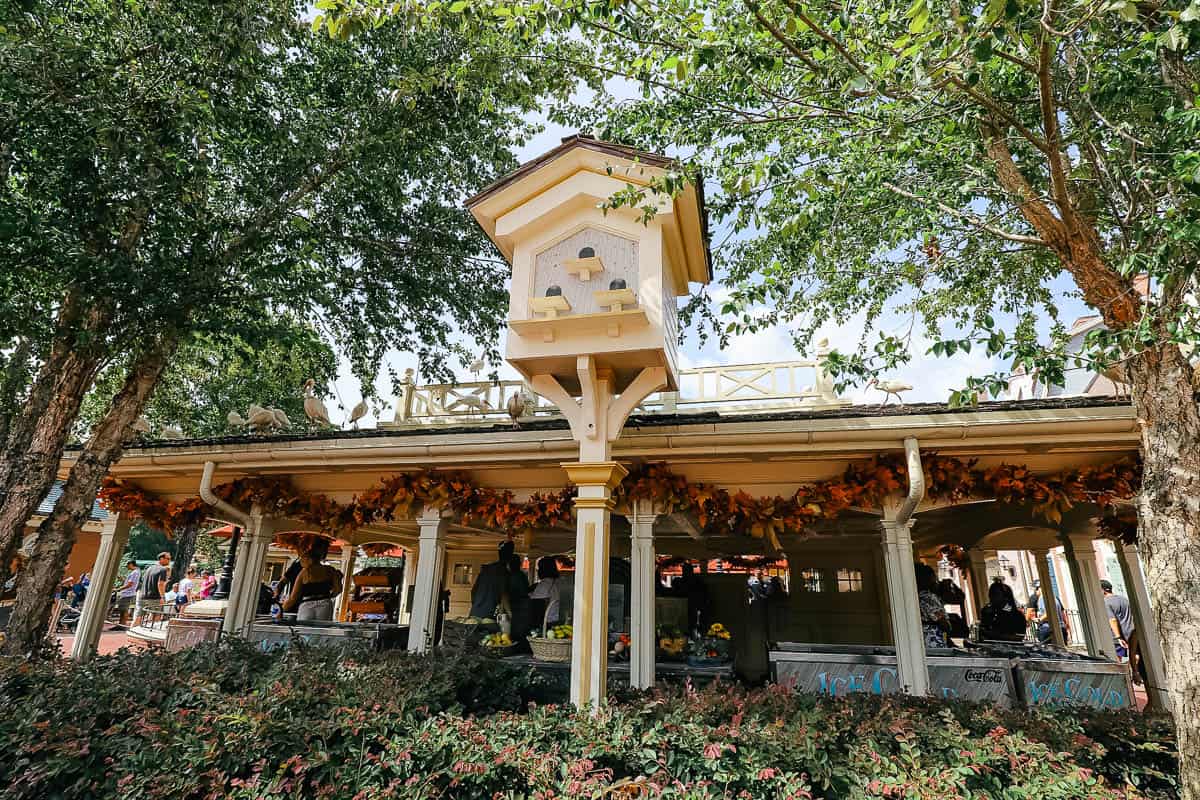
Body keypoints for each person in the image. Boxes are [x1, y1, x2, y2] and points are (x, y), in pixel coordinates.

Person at [281, 537, 343, 621]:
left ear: (308, 559)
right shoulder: (330, 570)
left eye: (302, 559)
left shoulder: (304, 572)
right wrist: (329, 596)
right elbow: (338, 589)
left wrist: (281, 611)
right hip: (325, 604)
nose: (301, 561)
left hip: (307, 605)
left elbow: (293, 598)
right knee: (321, 631)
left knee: (303, 631)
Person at [469, 539, 515, 619]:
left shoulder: (486, 569)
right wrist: (511, 615)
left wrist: (477, 605)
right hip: (489, 615)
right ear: (510, 555)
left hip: (475, 612)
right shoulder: (503, 571)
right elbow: (504, 595)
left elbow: (473, 591)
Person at [916, 563, 949, 648]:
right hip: (934, 641)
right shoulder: (929, 597)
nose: (936, 579)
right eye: (934, 576)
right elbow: (944, 624)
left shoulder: (916, 597)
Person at [1102, 580, 1136, 659]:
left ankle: (1125, 670)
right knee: (1134, 655)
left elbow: (1112, 620)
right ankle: (1133, 670)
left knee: (1117, 659)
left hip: (1117, 636)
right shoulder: (1124, 599)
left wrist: (1118, 637)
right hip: (1130, 632)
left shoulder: (1106, 602)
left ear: (1103, 590)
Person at [528, 556, 563, 631]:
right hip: (560, 620)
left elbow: (537, 603)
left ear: (543, 570)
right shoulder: (560, 582)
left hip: (548, 623)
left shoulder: (544, 584)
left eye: (539, 568)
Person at [116, 560, 140, 626]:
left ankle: (122, 624)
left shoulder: (135, 573)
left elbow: (130, 584)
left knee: (124, 609)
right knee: (122, 609)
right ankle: (121, 624)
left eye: (127, 565)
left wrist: (117, 589)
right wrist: (121, 578)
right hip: (128, 593)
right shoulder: (136, 572)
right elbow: (129, 582)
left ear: (131, 564)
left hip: (127, 593)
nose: (127, 567)